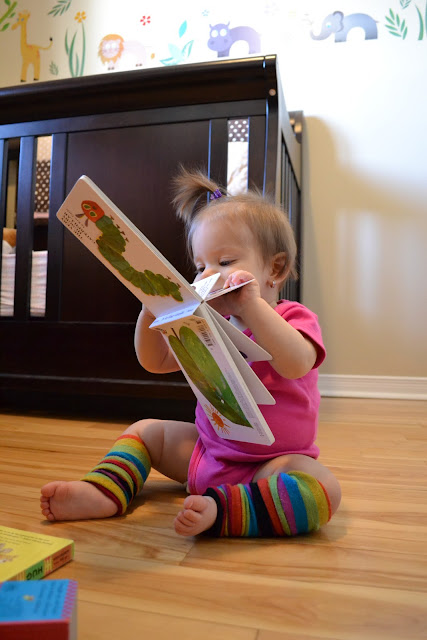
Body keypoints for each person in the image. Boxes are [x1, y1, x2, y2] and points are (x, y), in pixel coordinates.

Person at [40, 167, 341, 538]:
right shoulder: (205, 322)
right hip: (206, 455)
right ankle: (105, 490)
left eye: (225, 263)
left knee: (323, 487)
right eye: (200, 266)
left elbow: (297, 363)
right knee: (145, 431)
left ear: (275, 268)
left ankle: (225, 509)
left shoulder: (294, 318)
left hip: (270, 466)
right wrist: (151, 309)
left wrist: (250, 306)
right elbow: (155, 361)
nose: (207, 275)